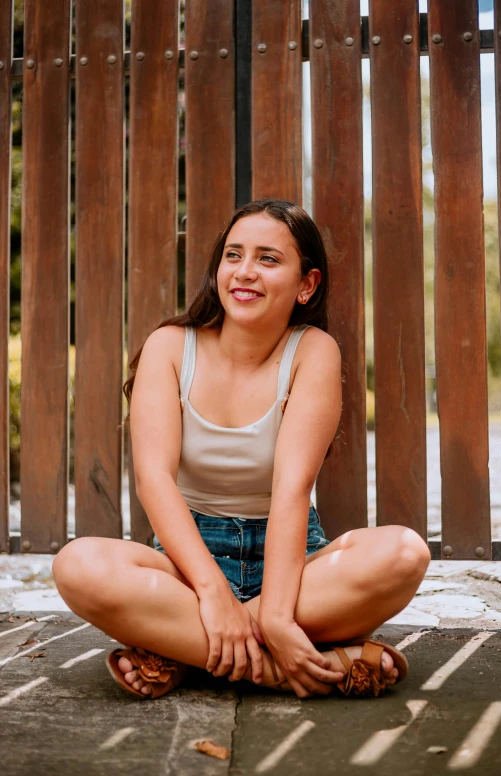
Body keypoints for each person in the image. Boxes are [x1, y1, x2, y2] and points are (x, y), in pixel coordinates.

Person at [52, 199, 430, 700]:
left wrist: (275, 613)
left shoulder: (312, 350)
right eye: (234, 255)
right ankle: (290, 667)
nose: (245, 272)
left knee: (403, 553)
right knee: (78, 565)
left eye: (268, 259)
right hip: (187, 566)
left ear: (306, 284)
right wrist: (211, 592)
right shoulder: (170, 347)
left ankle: (185, 653)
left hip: (291, 566)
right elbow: (154, 481)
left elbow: (291, 491)